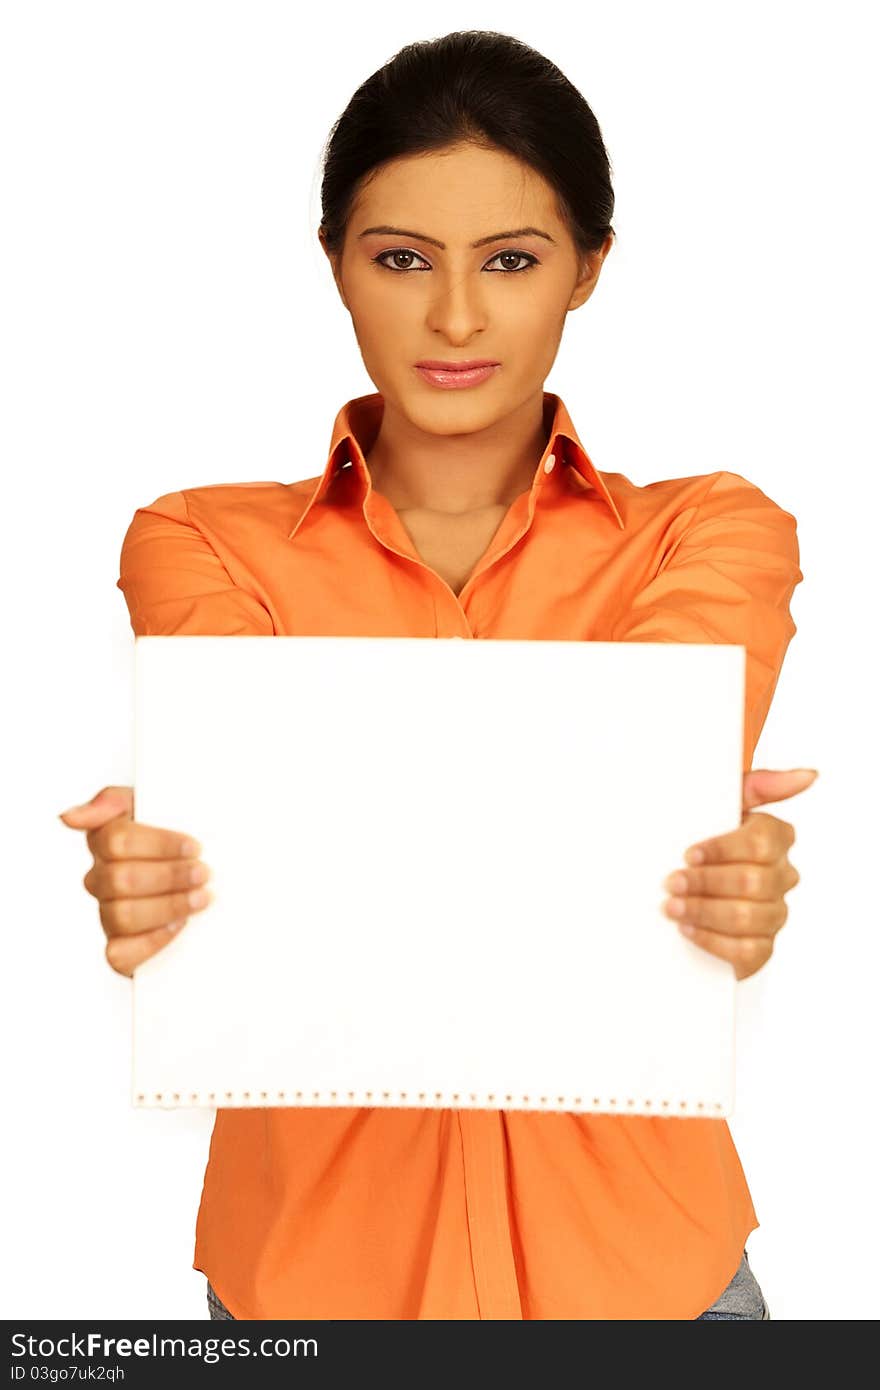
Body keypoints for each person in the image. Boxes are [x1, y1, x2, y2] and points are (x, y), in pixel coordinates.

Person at [58, 30, 818, 1320]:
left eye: (511, 261)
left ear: (589, 267)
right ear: (335, 266)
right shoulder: (192, 539)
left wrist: (299, 833)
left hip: (650, 1277)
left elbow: (320, 833)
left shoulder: (715, 529)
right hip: (312, 1281)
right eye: (401, 259)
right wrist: (175, 902)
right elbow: (606, 800)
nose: (456, 319)